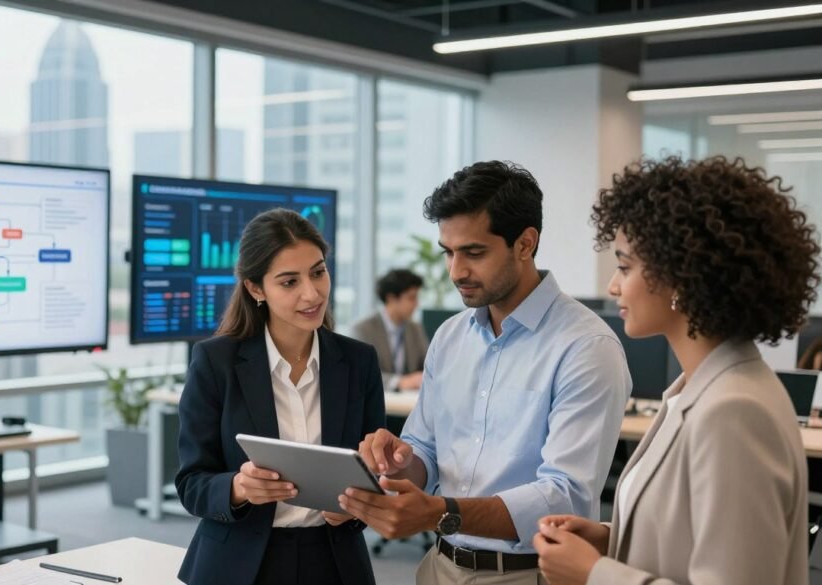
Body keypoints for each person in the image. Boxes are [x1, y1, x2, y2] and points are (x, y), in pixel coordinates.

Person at [339, 160, 632, 585]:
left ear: (525, 244)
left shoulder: (586, 347)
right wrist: (398, 462)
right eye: (449, 252)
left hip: (526, 573)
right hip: (439, 567)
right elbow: (425, 448)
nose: (457, 271)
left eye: (474, 252)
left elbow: (564, 496)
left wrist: (442, 512)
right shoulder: (450, 336)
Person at [532, 156, 817, 585]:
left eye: (625, 267)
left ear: (681, 276)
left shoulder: (734, 410)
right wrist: (611, 539)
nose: (613, 286)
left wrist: (594, 573)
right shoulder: (700, 389)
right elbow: (694, 532)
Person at [174, 208, 385, 585]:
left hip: (334, 561)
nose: (312, 293)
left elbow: (372, 473)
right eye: (289, 282)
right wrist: (238, 488)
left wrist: (355, 511)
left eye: (318, 272)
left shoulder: (358, 361)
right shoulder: (216, 362)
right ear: (257, 289)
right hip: (239, 563)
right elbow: (191, 483)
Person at [352, 269, 429, 392]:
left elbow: (428, 366)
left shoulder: (415, 329)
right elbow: (359, 374)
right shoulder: (363, 329)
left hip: (409, 404)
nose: (416, 304)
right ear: (391, 299)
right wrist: (399, 382)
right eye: (411, 298)